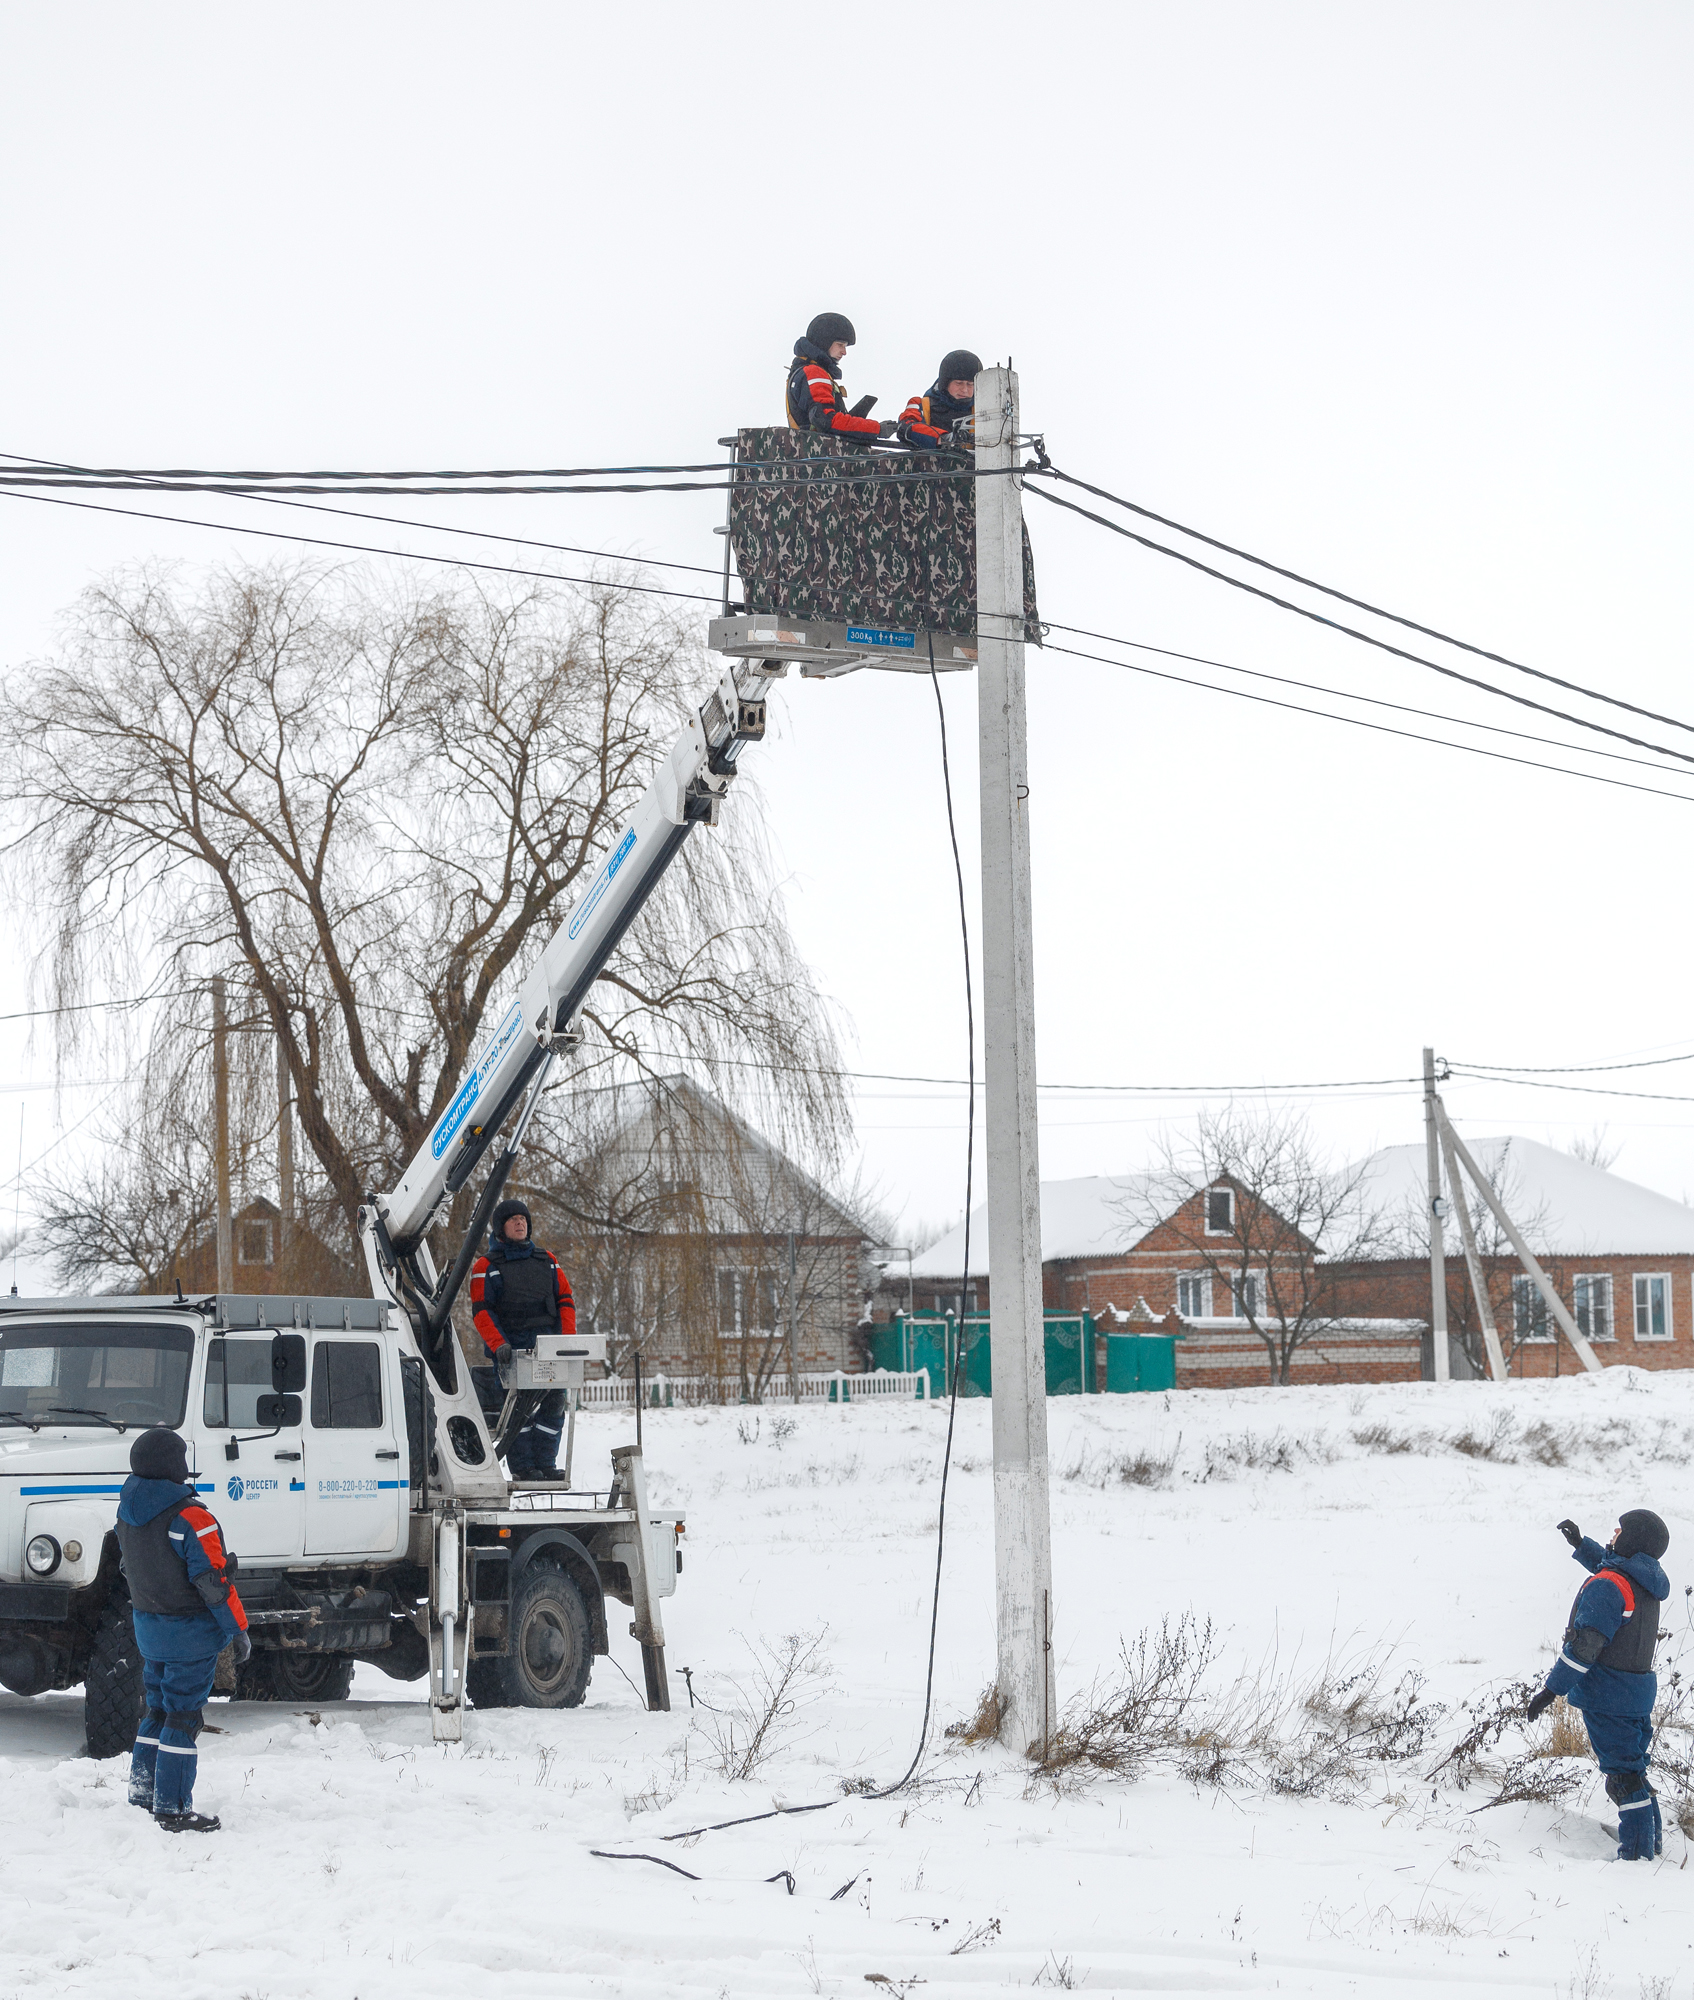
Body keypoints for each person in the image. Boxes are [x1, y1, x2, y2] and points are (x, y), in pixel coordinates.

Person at [114, 1426, 249, 1834]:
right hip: (190, 1635)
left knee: (157, 1709)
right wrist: (238, 1629)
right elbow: (212, 1583)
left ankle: (143, 1793)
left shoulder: (126, 1513)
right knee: (184, 1716)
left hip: (149, 1630)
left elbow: (129, 1569)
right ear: (175, 1464)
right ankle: (172, 1809)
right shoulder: (192, 1517)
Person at [1527, 1508, 1671, 1860]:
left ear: (1632, 1539)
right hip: (1634, 1693)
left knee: (1623, 1779)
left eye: (1619, 1530)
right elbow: (1612, 1570)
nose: (1614, 1534)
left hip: (1608, 1696)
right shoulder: (1645, 1579)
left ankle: (1637, 1855)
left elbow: (1584, 1648)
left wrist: (1551, 1690)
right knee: (1632, 1770)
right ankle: (1650, 1843)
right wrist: (1582, 1544)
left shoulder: (1609, 1586)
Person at [469, 1197, 577, 1479]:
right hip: (512, 1352)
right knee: (518, 1411)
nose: (520, 1223)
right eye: (513, 1219)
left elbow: (565, 1301)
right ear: (500, 1228)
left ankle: (546, 1464)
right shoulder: (485, 1265)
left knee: (554, 1406)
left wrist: (567, 1342)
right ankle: (524, 1468)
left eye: (523, 1219)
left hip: (548, 1350)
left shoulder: (548, 1261)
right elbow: (482, 1312)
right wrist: (499, 1345)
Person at [786, 312, 896, 441]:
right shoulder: (814, 372)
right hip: (820, 451)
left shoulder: (805, 371)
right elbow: (825, 419)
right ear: (824, 342)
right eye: (840, 345)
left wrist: (855, 418)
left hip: (812, 449)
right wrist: (877, 429)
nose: (844, 352)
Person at [895, 349, 981, 453]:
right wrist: (943, 439)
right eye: (959, 383)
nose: (964, 390)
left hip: (976, 463)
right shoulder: (921, 405)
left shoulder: (984, 409)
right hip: (928, 462)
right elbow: (905, 428)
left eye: (970, 384)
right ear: (945, 383)